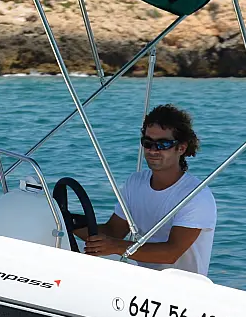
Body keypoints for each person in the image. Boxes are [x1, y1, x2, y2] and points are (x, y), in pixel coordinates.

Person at [82, 104, 217, 276]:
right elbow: (113, 231)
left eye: (163, 144)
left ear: (181, 148)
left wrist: (115, 246)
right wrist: (68, 221)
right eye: (148, 143)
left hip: (182, 287)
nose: (153, 150)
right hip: (141, 280)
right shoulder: (135, 183)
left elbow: (171, 253)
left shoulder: (196, 196)